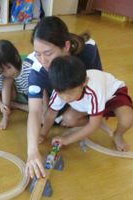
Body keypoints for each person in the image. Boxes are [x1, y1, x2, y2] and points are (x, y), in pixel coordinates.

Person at [26, 16, 103, 179]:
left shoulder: (88, 50)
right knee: (48, 116)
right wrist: (32, 150)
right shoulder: (38, 70)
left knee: (69, 118)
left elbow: (97, 83)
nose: (43, 60)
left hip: (84, 94)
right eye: (37, 54)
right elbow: (34, 110)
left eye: (48, 53)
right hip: (62, 95)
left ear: (66, 46)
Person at [44, 56, 133, 154]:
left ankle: (118, 134)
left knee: (127, 119)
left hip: (111, 96)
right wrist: (43, 133)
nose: (66, 98)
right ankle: (97, 118)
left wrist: (66, 140)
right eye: (60, 93)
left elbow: (93, 125)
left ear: (85, 82)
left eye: (70, 93)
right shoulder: (61, 87)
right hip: (89, 102)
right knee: (69, 119)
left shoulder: (93, 90)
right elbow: (51, 113)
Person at [0, 40, 32, 130]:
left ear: (16, 58)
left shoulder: (29, 70)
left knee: (39, 112)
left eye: (9, 67)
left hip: (31, 97)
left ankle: (15, 105)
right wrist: (0, 105)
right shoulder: (3, 76)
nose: (8, 72)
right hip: (18, 94)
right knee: (6, 80)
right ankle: (5, 117)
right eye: (3, 70)